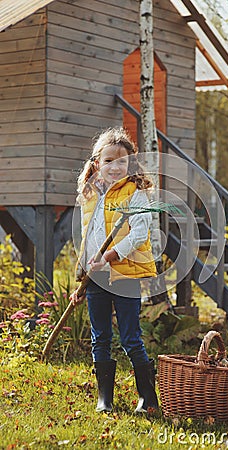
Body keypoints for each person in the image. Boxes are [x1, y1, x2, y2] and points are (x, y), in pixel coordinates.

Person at [69, 127, 159, 414]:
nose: (115, 167)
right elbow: (87, 238)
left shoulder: (135, 193)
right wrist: (81, 279)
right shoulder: (90, 195)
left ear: (130, 164)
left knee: (130, 336)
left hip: (124, 275)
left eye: (121, 161)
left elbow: (138, 234)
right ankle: (104, 398)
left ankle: (147, 397)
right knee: (100, 337)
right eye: (108, 161)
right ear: (97, 163)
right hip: (95, 278)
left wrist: (109, 255)